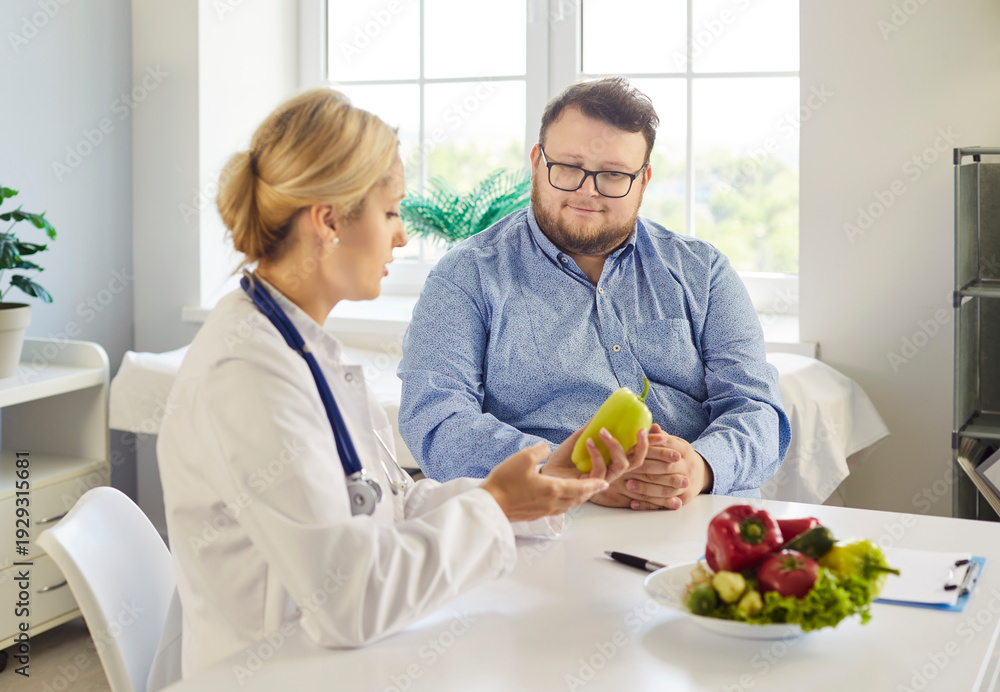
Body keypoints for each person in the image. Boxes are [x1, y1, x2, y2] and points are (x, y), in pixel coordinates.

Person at [155, 89, 648, 678]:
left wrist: (537, 488)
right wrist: (494, 506)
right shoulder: (246, 374)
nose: (402, 238)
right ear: (329, 221)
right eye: (391, 213)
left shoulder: (301, 347)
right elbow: (349, 598)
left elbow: (387, 507)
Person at [398, 77, 790, 510]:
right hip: (551, 521)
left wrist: (699, 467)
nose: (587, 191)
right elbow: (437, 420)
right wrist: (565, 474)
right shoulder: (466, 275)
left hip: (704, 515)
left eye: (613, 174)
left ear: (643, 180)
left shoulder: (704, 271)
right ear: (537, 163)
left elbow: (758, 410)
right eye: (568, 167)